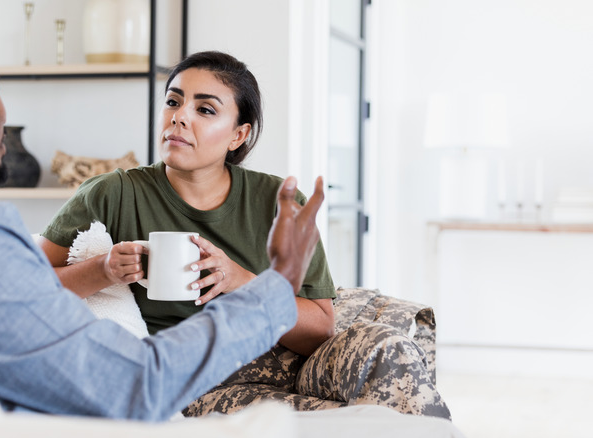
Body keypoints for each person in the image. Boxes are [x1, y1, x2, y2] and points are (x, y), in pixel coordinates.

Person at [0, 3, 325, 421]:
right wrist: (278, 280)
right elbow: (138, 386)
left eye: (205, 108)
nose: (4, 110)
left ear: (239, 135)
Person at [38, 51, 451, 419]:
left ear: (239, 135)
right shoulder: (111, 194)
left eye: (205, 109)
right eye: (173, 101)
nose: (179, 117)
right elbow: (25, 289)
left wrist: (241, 281)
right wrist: (103, 270)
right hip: (199, 377)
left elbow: (321, 329)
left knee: (389, 347)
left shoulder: (277, 200)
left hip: (292, 362)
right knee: (363, 418)